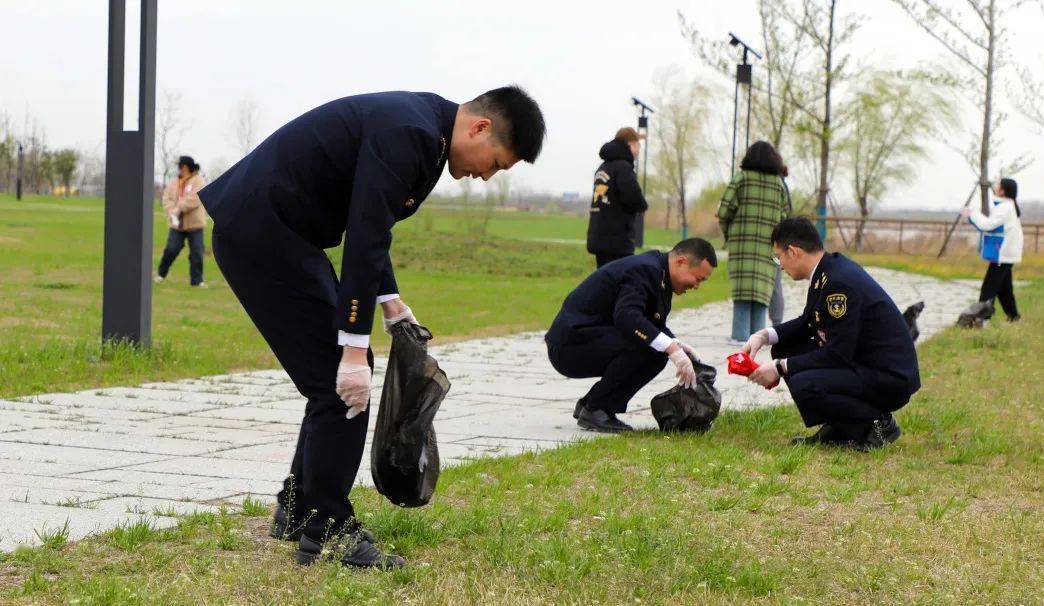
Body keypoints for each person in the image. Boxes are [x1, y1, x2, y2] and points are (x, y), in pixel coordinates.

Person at [197, 87, 546, 569]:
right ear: (480, 128)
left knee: (335, 377)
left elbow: (373, 222)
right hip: (263, 229)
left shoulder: (427, 131)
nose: (486, 177)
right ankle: (329, 529)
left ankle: (299, 509)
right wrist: (353, 347)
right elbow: (363, 235)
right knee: (338, 383)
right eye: (496, 164)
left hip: (280, 230)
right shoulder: (412, 132)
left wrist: (391, 303)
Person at [741, 218, 920, 450]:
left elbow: (837, 354)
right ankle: (842, 427)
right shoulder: (828, 271)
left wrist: (779, 367)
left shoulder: (838, 282)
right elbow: (807, 322)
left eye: (779, 257)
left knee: (806, 384)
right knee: (786, 346)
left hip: (888, 377)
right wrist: (764, 336)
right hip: (867, 364)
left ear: (793, 252)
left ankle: (878, 422)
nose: (780, 266)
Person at [546, 238, 717, 433]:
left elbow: (651, 322)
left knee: (656, 349)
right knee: (650, 349)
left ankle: (591, 404)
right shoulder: (645, 270)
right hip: (570, 346)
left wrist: (676, 344)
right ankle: (597, 410)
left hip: (587, 339)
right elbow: (627, 317)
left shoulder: (659, 272)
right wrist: (669, 347)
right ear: (681, 262)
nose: (696, 286)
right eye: (698, 279)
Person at [718, 141, 790, 345]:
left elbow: (724, 211)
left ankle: (739, 336)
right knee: (761, 293)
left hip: (741, 247)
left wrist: (729, 233)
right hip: (769, 249)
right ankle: (755, 339)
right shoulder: (778, 185)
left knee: (742, 291)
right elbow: (785, 217)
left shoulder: (740, 180)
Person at [963, 178, 1023, 321]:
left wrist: (972, 213)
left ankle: (981, 319)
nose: (995, 186)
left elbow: (987, 225)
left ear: (1003, 191)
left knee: (988, 289)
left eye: (998, 185)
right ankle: (1013, 317)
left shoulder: (1004, 207)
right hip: (1006, 253)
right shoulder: (1008, 206)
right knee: (1004, 289)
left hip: (1002, 253)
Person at [587, 127, 648, 268]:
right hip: (617, 240)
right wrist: (642, 206)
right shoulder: (623, 168)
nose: (638, 150)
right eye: (638, 145)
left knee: (603, 281)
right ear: (630, 144)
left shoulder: (603, 167)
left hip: (599, 236)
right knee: (619, 281)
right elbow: (631, 193)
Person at [155, 156, 207, 286]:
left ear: (185, 167)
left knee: (196, 253)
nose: (178, 169)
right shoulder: (174, 182)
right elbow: (166, 199)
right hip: (176, 225)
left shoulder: (198, 180)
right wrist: (172, 211)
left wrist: (179, 208)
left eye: (180, 166)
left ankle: (197, 281)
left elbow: (195, 198)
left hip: (195, 225)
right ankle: (161, 274)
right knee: (171, 250)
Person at [768, 161, 793, 326]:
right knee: (776, 283)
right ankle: (777, 322)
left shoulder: (775, 185)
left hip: (774, 242)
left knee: (775, 284)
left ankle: (777, 323)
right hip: (778, 241)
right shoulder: (782, 185)